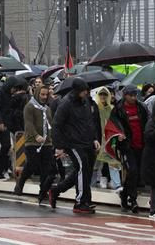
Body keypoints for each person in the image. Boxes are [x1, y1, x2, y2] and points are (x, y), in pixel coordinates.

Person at [49, 78, 100, 214]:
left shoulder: (85, 102)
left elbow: (90, 122)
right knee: (82, 167)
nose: (86, 94)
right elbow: (56, 125)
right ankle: (80, 202)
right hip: (72, 143)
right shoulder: (66, 103)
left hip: (86, 141)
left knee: (85, 171)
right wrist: (59, 146)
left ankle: (57, 190)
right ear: (77, 91)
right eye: (84, 92)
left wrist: (94, 138)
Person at [15, 84, 56, 203]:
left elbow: (51, 124)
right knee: (32, 165)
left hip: (47, 143)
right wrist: (36, 135)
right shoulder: (30, 107)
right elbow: (28, 124)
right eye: (42, 94)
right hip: (32, 142)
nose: (44, 97)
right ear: (37, 93)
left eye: (46, 95)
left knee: (46, 169)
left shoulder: (47, 109)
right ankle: (21, 182)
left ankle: (42, 192)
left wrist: (52, 138)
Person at [112, 84, 148, 212]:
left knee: (137, 174)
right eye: (130, 95)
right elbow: (112, 125)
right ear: (125, 95)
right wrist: (118, 135)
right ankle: (132, 200)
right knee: (132, 171)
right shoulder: (118, 109)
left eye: (135, 95)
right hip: (127, 146)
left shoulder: (141, 107)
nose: (133, 98)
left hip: (141, 144)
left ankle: (124, 193)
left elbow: (147, 123)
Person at [0, 77, 21, 180]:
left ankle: (2, 168)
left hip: (5, 125)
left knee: (6, 146)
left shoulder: (9, 95)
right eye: (14, 88)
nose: (14, 90)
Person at [91, 87, 121, 191]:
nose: (103, 97)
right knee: (95, 164)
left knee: (112, 162)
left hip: (109, 139)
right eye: (101, 94)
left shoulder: (112, 109)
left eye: (105, 95)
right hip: (98, 139)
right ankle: (91, 185)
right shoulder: (94, 109)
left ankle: (117, 185)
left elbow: (116, 124)